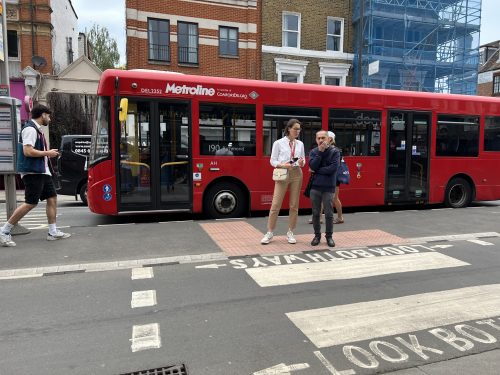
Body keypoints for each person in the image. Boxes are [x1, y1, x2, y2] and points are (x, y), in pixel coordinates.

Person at [0, 105, 71, 247]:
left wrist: (48, 154)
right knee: (31, 202)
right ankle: (4, 231)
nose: (49, 119)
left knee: (52, 198)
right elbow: (28, 151)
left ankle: (52, 232)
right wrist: (48, 153)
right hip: (33, 172)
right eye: (48, 116)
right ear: (43, 115)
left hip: (42, 171)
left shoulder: (36, 130)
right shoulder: (30, 129)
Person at [261, 119, 305, 244]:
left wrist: (302, 163)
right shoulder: (278, 143)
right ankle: (269, 232)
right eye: (295, 128)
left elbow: (302, 159)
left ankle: (290, 232)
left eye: (299, 129)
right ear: (289, 129)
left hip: (297, 173)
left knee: (294, 204)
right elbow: (272, 161)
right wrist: (282, 165)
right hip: (283, 173)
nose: (297, 131)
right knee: (276, 204)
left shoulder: (300, 144)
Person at [308, 130, 340, 247]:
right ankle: (317, 236)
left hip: (328, 188)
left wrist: (316, 171)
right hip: (315, 187)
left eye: (323, 138)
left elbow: (332, 169)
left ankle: (329, 236)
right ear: (316, 140)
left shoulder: (335, 152)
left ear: (328, 139)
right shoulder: (314, 152)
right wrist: (320, 153)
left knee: (329, 213)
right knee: (316, 213)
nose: (321, 140)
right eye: (318, 138)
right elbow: (312, 165)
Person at [328, 131, 344, 224]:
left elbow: (334, 165)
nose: (321, 140)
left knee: (334, 197)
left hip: (334, 177)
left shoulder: (336, 150)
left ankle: (340, 217)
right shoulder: (329, 149)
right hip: (330, 176)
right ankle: (319, 218)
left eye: (324, 138)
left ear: (330, 139)